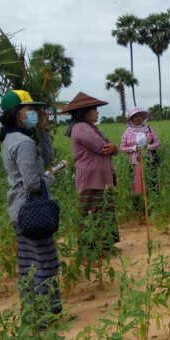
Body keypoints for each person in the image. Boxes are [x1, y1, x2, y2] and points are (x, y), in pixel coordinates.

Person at [0, 90, 61, 323]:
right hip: (31, 208)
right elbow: (33, 183)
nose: (34, 113)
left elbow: (48, 155)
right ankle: (45, 316)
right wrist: (51, 176)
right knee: (45, 263)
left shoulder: (14, 138)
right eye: (30, 109)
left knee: (28, 263)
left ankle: (33, 315)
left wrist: (43, 131)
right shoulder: (22, 142)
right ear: (16, 113)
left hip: (19, 210)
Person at [62, 92, 120, 259]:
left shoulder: (88, 127)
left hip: (99, 179)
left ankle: (103, 248)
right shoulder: (81, 128)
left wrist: (114, 148)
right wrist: (113, 148)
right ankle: (90, 253)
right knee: (92, 214)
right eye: (95, 110)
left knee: (102, 212)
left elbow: (109, 146)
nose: (98, 113)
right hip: (91, 179)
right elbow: (103, 147)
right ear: (86, 112)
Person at [120, 107, 160, 200]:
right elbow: (122, 148)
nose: (139, 118)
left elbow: (157, 143)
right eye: (136, 116)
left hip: (148, 161)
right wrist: (133, 148)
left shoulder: (149, 129)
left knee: (151, 182)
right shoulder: (127, 132)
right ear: (131, 119)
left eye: (140, 116)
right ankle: (139, 204)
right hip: (134, 163)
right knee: (137, 185)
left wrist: (148, 147)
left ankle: (153, 201)